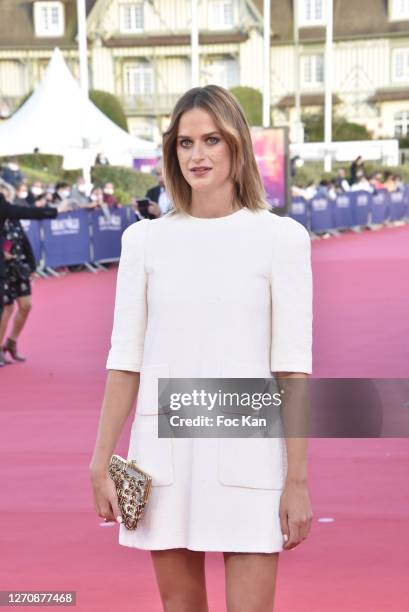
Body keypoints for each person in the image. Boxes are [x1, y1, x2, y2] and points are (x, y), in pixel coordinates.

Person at [90, 85, 313, 611]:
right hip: (162, 451)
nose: (198, 155)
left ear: (237, 146)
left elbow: (293, 370)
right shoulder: (142, 241)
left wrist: (298, 482)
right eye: (185, 143)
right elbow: (125, 360)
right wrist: (101, 461)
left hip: (250, 452)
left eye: (212, 139)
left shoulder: (282, 238)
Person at [0, 183, 57, 366]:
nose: (6, 200)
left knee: (26, 305)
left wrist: (32, 265)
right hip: (4, 269)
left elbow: (24, 241)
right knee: (7, 309)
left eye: (7, 197)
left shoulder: (14, 219)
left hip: (19, 266)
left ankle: (11, 342)